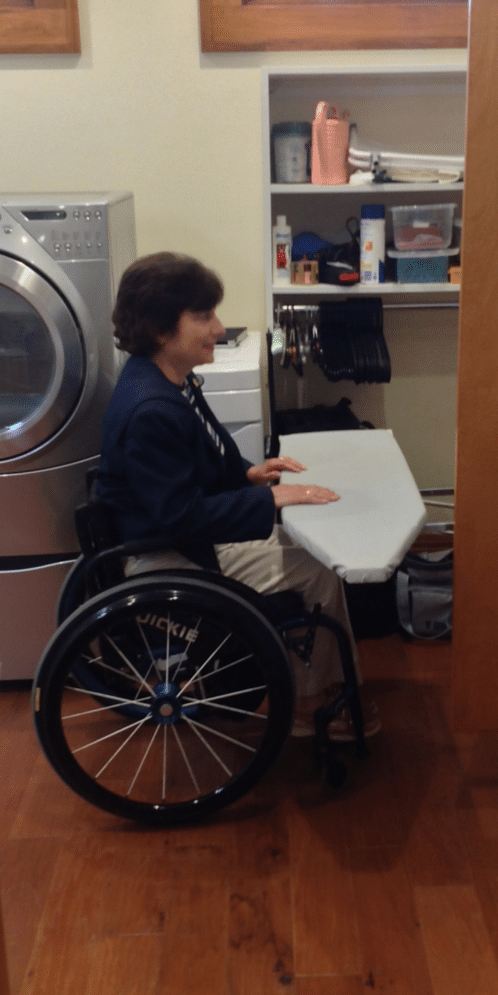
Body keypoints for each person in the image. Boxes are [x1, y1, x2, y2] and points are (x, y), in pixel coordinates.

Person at [96, 251, 379, 740]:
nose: (217, 327)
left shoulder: (169, 381)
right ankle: (308, 705)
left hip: (179, 539)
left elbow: (205, 452)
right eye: (203, 316)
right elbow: (182, 516)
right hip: (167, 557)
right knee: (318, 571)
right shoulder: (151, 411)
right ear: (162, 329)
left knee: (308, 550)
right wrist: (272, 500)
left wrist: (250, 475)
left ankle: (315, 683)